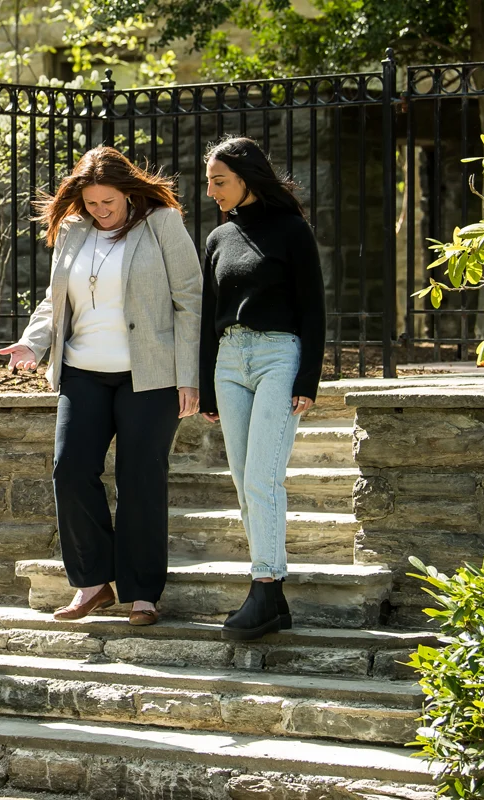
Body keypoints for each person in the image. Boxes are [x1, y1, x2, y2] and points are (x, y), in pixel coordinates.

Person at [0, 146, 202, 627]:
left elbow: (190, 301)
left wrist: (190, 378)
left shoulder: (162, 223)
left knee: (140, 480)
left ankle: (142, 594)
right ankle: (93, 585)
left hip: (150, 376)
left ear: (128, 193)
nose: (101, 211)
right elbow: (54, 302)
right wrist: (33, 344)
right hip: (82, 371)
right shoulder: (72, 232)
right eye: (92, 203)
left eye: (108, 202)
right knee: (69, 470)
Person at [198, 136, 326, 641]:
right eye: (209, 181)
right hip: (230, 361)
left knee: (262, 480)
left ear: (247, 177)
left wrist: (308, 378)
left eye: (220, 181)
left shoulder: (293, 231)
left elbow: (314, 307)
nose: (211, 191)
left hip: (279, 356)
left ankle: (265, 584)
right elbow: (210, 317)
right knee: (242, 481)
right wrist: (208, 385)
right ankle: (273, 598)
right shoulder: (216, 240)